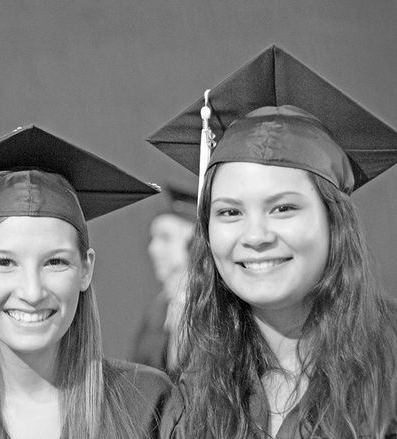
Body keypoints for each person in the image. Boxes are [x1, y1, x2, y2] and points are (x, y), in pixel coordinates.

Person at [148, 45, 397, 438]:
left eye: (283, 208)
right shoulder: (197, 396)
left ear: (335, 221)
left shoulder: (390, 370)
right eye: (230, 212)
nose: (256, 236)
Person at [0, 125, 172, 438]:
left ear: (86, 269)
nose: (32, 291)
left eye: (55, 262)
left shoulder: (147, 406)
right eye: (4, 263)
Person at [129, 184, 195, 376]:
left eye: (165, 238)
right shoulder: (158, 312)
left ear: (194, 243)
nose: (153, 249)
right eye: (153, 238)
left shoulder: (214, 313)